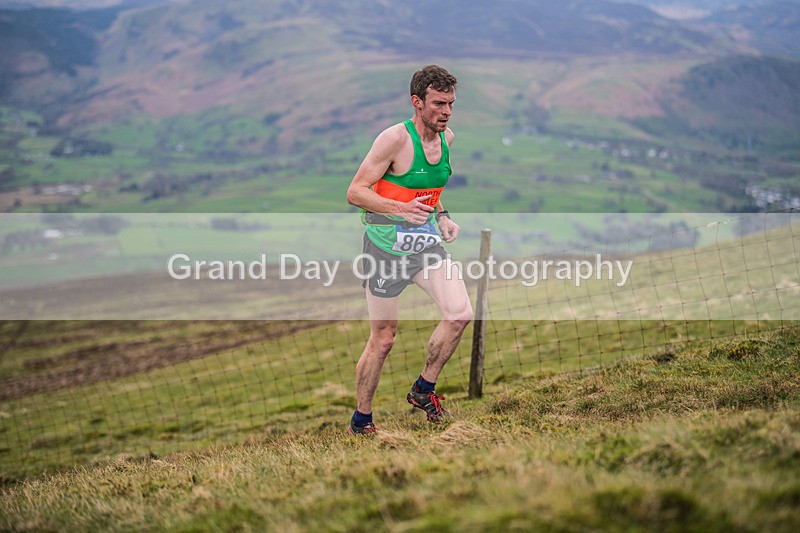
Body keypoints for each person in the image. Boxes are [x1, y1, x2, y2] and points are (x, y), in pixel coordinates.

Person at [345, 65, 473, 435]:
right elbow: (356, 192)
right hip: (384, 250)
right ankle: (362, 420)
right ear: (417, 103)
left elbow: (430, 191)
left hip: (425, 246)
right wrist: (401, 210)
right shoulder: (393, 140)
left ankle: (423, 388)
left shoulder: (447, 139)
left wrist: (443, 215)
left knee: (460, 313)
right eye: (438, 103)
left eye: (450, 103)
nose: (446, 111)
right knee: (383, 340)